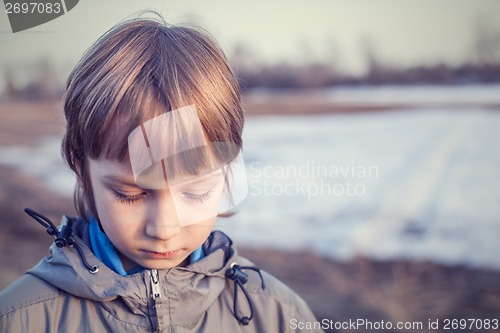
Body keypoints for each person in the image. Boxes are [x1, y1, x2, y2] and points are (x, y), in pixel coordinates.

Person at [0, 14, 323, 332]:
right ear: (81, 168)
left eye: (196, 192)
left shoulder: (277, 314)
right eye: (131, 194)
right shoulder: (21, 318)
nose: (165, 228)